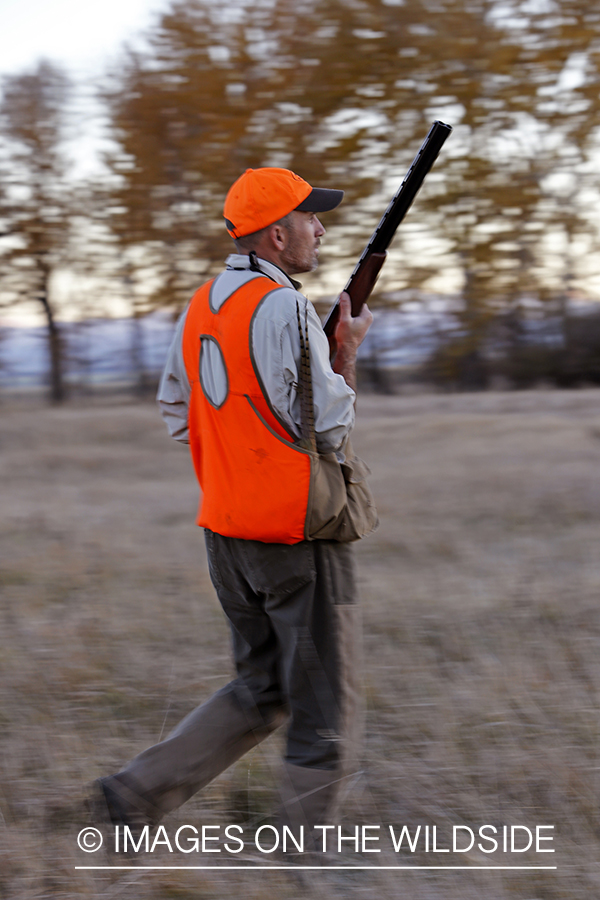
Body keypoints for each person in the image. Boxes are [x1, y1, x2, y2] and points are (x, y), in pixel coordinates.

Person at [97, 166, 373, 852]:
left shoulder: (205, 303)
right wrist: (346, 349)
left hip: (226, 532)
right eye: (311, 218)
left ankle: (135, 793)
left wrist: (239, 453)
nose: (321, 228)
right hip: (293, 534)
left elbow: (178, 411)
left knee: (262, 686)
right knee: (323, 704)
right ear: (277, 234)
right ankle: (307, 860)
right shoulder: (281, 307)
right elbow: (331, 425)